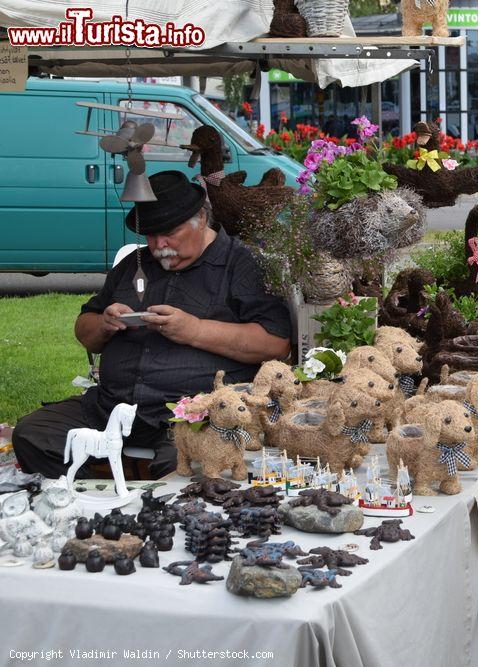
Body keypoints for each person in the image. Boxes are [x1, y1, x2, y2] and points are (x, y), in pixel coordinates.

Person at [12, 171, 292, 479]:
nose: (159, 245)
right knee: (32, 435)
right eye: (150, 235)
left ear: (200, 219)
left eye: (169, 232)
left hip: (193, 413)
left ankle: (143, 506)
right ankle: (105, 502)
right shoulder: (134, 264)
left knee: (190, 463)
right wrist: (105, 324)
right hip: (112, 407)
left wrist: (195, 330)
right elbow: (85, 332)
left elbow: (275, 343)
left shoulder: (241, 263)